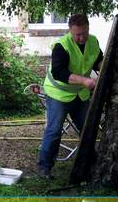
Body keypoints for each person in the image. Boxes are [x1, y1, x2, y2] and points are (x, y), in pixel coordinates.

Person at [37, 14, 103, 179]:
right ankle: (44, 168)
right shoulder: (61, 46)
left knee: (88, 128)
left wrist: (104, 70)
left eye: (84, 33)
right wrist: (84, 80)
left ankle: (91, 163)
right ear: (70, 31)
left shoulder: (93, 41)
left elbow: (99, 61)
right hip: (58, 93)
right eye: (77, 34)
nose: (81, 38)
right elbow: (59, 72)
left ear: (88, 28)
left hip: (79, 94)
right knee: (54, 131)